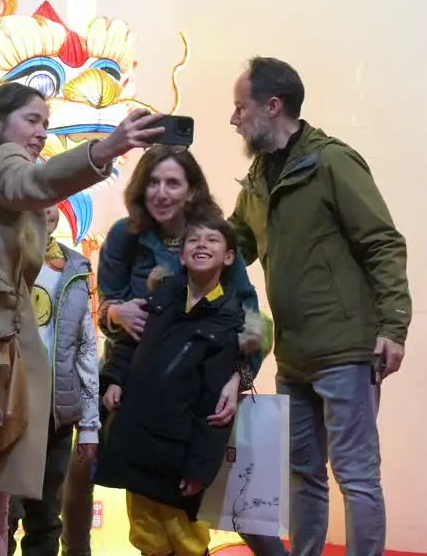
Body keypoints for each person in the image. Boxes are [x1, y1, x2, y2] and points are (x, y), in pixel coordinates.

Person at [0, 82, 163, 556]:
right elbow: (33, 184)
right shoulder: (2, 159)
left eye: (46, 123)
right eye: (33, 120)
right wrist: (106, 149)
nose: (41, 132)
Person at [227, 56, 411, 556]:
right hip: (294, 356)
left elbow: (383, 243)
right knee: (303, 474)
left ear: (272, 105)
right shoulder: (260, 175)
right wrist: (175, 242)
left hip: (346, 351)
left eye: (240, 107)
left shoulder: (332, 162)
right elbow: (233, 245)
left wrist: (394, 325)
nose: (234, 118)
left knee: (356, 476)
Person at [95, 146, 286, 556]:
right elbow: (106, 310)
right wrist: (115, 314)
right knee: (142, 515)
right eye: (153, 182)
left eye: (173, 183)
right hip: (139, 393)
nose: (161, 193)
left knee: (218, 510)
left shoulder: (214, 237)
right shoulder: (123, 238)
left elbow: (254, 324)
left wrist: (238, 378)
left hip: (198, 397)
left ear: (191, 190)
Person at [94, 217, 247, 556]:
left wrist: (200, 468)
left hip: (181, 451)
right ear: (180, 256)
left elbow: (215, 407)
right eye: (194, 240)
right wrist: (114, 379)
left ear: (229, 257)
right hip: (138, 438)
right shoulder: (161, 294)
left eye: (212, 240)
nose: (202, 245)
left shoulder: (230, 316)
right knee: (145, 531)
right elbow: (128, 343)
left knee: (186, 535)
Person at [7, 205, 100, 556]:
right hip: (9, 410)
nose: (44, 211)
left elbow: (86, 348)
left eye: (52, 203)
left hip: (56, 415)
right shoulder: (2, 257)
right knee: (2, 515)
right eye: (34, 201)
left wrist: (89, 426)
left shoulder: (75, 266)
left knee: (46, 518)